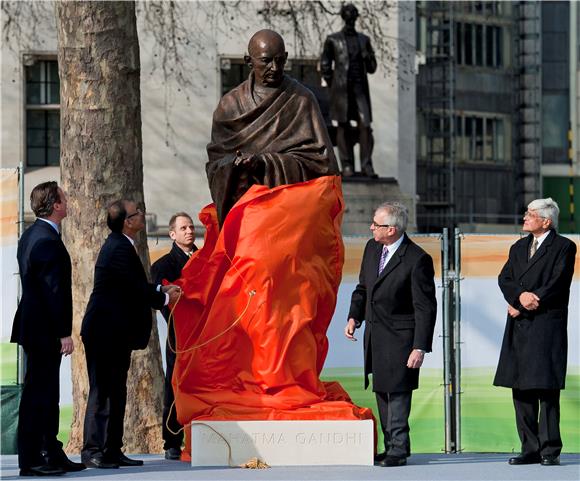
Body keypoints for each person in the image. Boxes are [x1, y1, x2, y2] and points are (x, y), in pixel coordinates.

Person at [80, 200, 180, 469]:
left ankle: (112, 449)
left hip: (117, 332)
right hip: (103, 331)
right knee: (102, 391)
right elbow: (134, 288)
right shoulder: (118, 247)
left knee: (117, 391)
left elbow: (135, 286)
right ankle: (92, 450)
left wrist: (160, 290)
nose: (143, 215)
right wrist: (163, 296)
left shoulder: (124, 245)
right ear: (128, 221)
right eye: (138, 213)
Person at [206, 28, 339, 225]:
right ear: (249, 61)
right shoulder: (230, 106)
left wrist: (265, 163)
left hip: (290, 216)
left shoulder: (301, 100)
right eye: (266, 61)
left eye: (280, 60)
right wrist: (236, 166)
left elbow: (324, 164)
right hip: (246, 215)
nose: (275, 68)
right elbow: (215, 165)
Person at [345, 202, 437, 467]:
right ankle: (392, 446)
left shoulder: (416, 259)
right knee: (383, 391)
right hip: (375, 335)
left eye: (377, 224)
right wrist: (354, 316)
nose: (371, 227)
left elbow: (425, 306)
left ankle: (398, 449)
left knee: (397, 392)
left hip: (401, 338)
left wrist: (420, 346)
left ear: (392, 229)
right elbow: (363, 288)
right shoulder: (372, 248)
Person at [11, 181, 86, 477]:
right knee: (39, 395)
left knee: (44, 393)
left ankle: (50, 451)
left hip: (36, 326)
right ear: (55, 205)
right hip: (43, 329)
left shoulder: (32, 234)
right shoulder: (46, 240)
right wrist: (63, 332)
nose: (67, 203)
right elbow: (52, 291)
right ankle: (32, 459)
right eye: (64, 199)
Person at [494, 198, 576, 467]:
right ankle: (529, 447)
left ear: (546, 221)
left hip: (545, 325)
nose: (525, 217)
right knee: (521, 389)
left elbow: (557, 282)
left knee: (547, 390)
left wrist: (528, 303)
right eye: (527, 213)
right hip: (519, 326)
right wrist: (519, 299)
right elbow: (504, 278)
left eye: (531, 214)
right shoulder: (518, 247)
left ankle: (549, 449)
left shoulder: (564, 247)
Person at [151, 212, 197, 460]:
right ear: (172, 234)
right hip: (178, 337)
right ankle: (172, 439)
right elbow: (162, 302)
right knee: (175, 384)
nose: (189, 231)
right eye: (183, 228)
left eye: (190, 227)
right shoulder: (162, 266)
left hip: (208, 338)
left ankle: (203, 435)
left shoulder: (207, 261)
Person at [321, 3, 378, 178]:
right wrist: (332, 86)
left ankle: (367, 166)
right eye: (349, 15)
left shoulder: (364, 40)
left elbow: (372, 68)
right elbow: (325, 63)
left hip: (360, 89)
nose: (351, 18)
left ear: (356, 17)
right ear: (344, 17)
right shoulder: (333, 39)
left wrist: (368, 56)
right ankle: (347, 166)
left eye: (354, 15)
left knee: (365, 126)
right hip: (341, 90)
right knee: (343, 126)